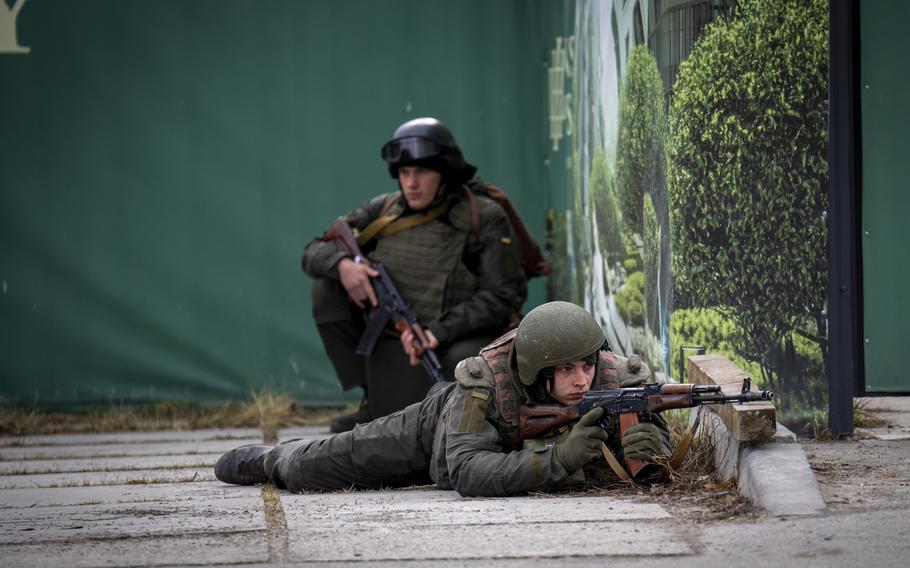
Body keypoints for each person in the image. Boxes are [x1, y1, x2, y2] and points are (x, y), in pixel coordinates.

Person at [214, 301, 671, 497]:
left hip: (497, 449)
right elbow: (466, 471)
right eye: (566, 370)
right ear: (536, 372)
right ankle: (269, 460)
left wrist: (650, 447)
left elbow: (655, 441)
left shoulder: (620, 379)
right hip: (435, 431)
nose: (581, 379)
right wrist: (562, 458)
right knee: (314, 468)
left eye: (586, 366)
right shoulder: (483, 384)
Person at [301, 117, 528, 433]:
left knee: (462, 365)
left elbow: (499, 298)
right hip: (396, 331)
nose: (411, 183)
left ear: (444, 172)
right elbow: (312, 250)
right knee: (326, 289)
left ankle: (461, 419)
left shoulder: (483, 216)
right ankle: (371, 401)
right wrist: (343, 265)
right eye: (405, 173)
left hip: (453, 336)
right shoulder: (384, 209)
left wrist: (440, 330)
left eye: (422, 172)